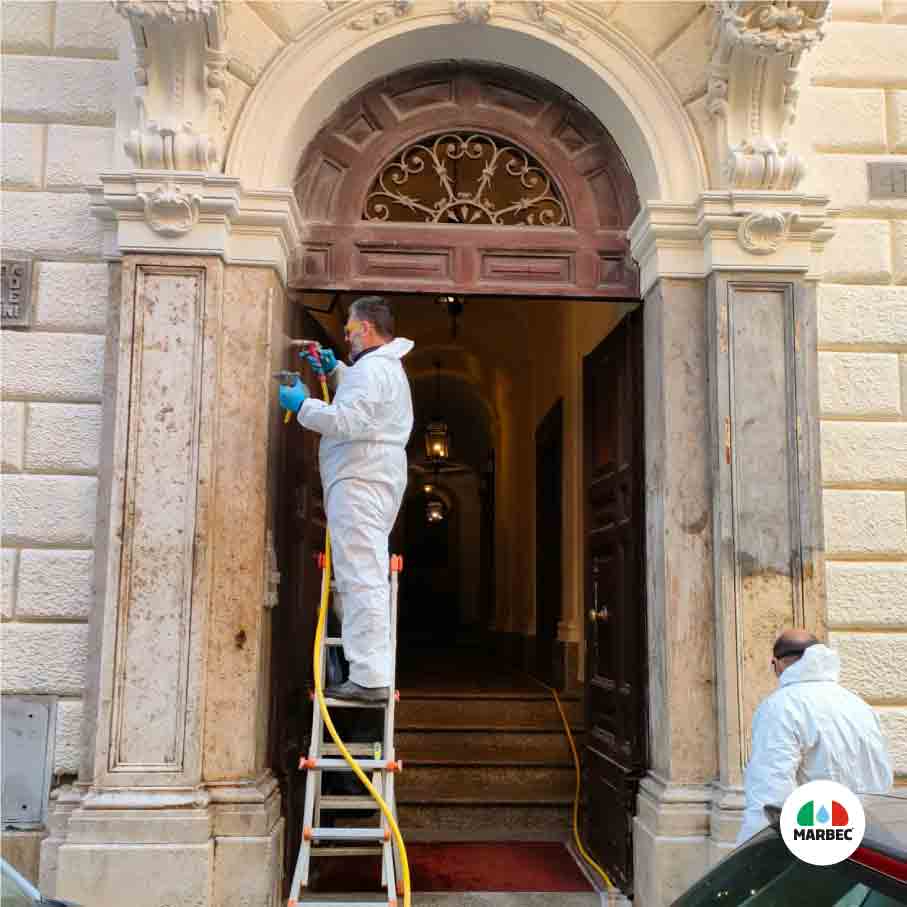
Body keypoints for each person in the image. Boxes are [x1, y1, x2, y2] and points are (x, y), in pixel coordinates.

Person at [279, 296, 414, 702]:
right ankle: (369, 672)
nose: (347, 336)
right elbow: (364, 406)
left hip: (360, 481)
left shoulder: (374, 370)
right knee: (362, 571)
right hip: (368, 477)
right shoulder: (378, 369)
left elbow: (349, 420)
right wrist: (336, 370)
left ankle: (370, 678)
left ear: (368, 329)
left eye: (350, 329)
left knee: (361, 575)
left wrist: (304, 405)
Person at [736, 629, 893, 845]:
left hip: (816, 842)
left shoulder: (780, 707)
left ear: (776, 664)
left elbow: (769, 794)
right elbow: (882, 776)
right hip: (869, 842)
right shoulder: (858, 704)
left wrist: (751, 854)